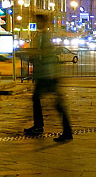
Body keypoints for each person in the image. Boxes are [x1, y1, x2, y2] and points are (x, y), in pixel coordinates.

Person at [24, 14, 73, 142]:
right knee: (50, 101)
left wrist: (35, 53)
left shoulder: (45, 36)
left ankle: (42, 127)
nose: (37, 24)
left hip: (47, 74)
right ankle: (62, 130)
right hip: (46, 73)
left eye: (38, 21)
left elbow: (46, 52)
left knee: (52, 102)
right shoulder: (42, 36)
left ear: (43, 22)